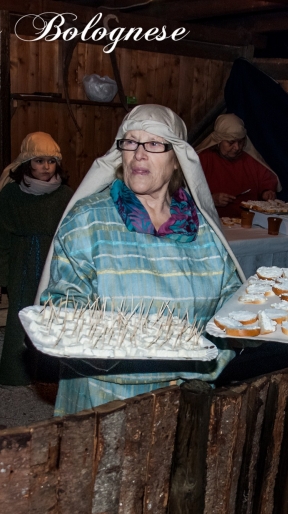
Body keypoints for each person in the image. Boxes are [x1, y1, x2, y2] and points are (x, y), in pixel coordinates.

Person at [36, 105, 245, 415]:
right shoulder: (88, 221)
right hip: (106, 400)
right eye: (131, 142)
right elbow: (64, 304)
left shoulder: (203, 232)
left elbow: (234, 306)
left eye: (154, 143)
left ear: (177, 159)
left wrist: (213, 360)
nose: (139, 153)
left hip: (187, 401)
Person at [0, 132, 74, 385]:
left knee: (54, 317)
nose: (45, 167)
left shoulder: (65, 195)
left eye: (51, 161)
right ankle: (15, 373)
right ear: (26, 163)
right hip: (22, 263)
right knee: (21, 316)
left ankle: (52, 375)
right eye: (39, 161)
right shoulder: (11, 195)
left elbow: (75, 232)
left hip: (54, 264)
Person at [196, 113, 281, 218]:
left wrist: (266, 192)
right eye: (231, 142)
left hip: (248, 222)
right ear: (219, 141)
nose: (237, 147)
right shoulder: (203, 159)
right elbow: (188, 192)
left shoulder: (249, 159)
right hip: (212, 223)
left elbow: (266, 179)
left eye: (240, 142)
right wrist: (211, 199)